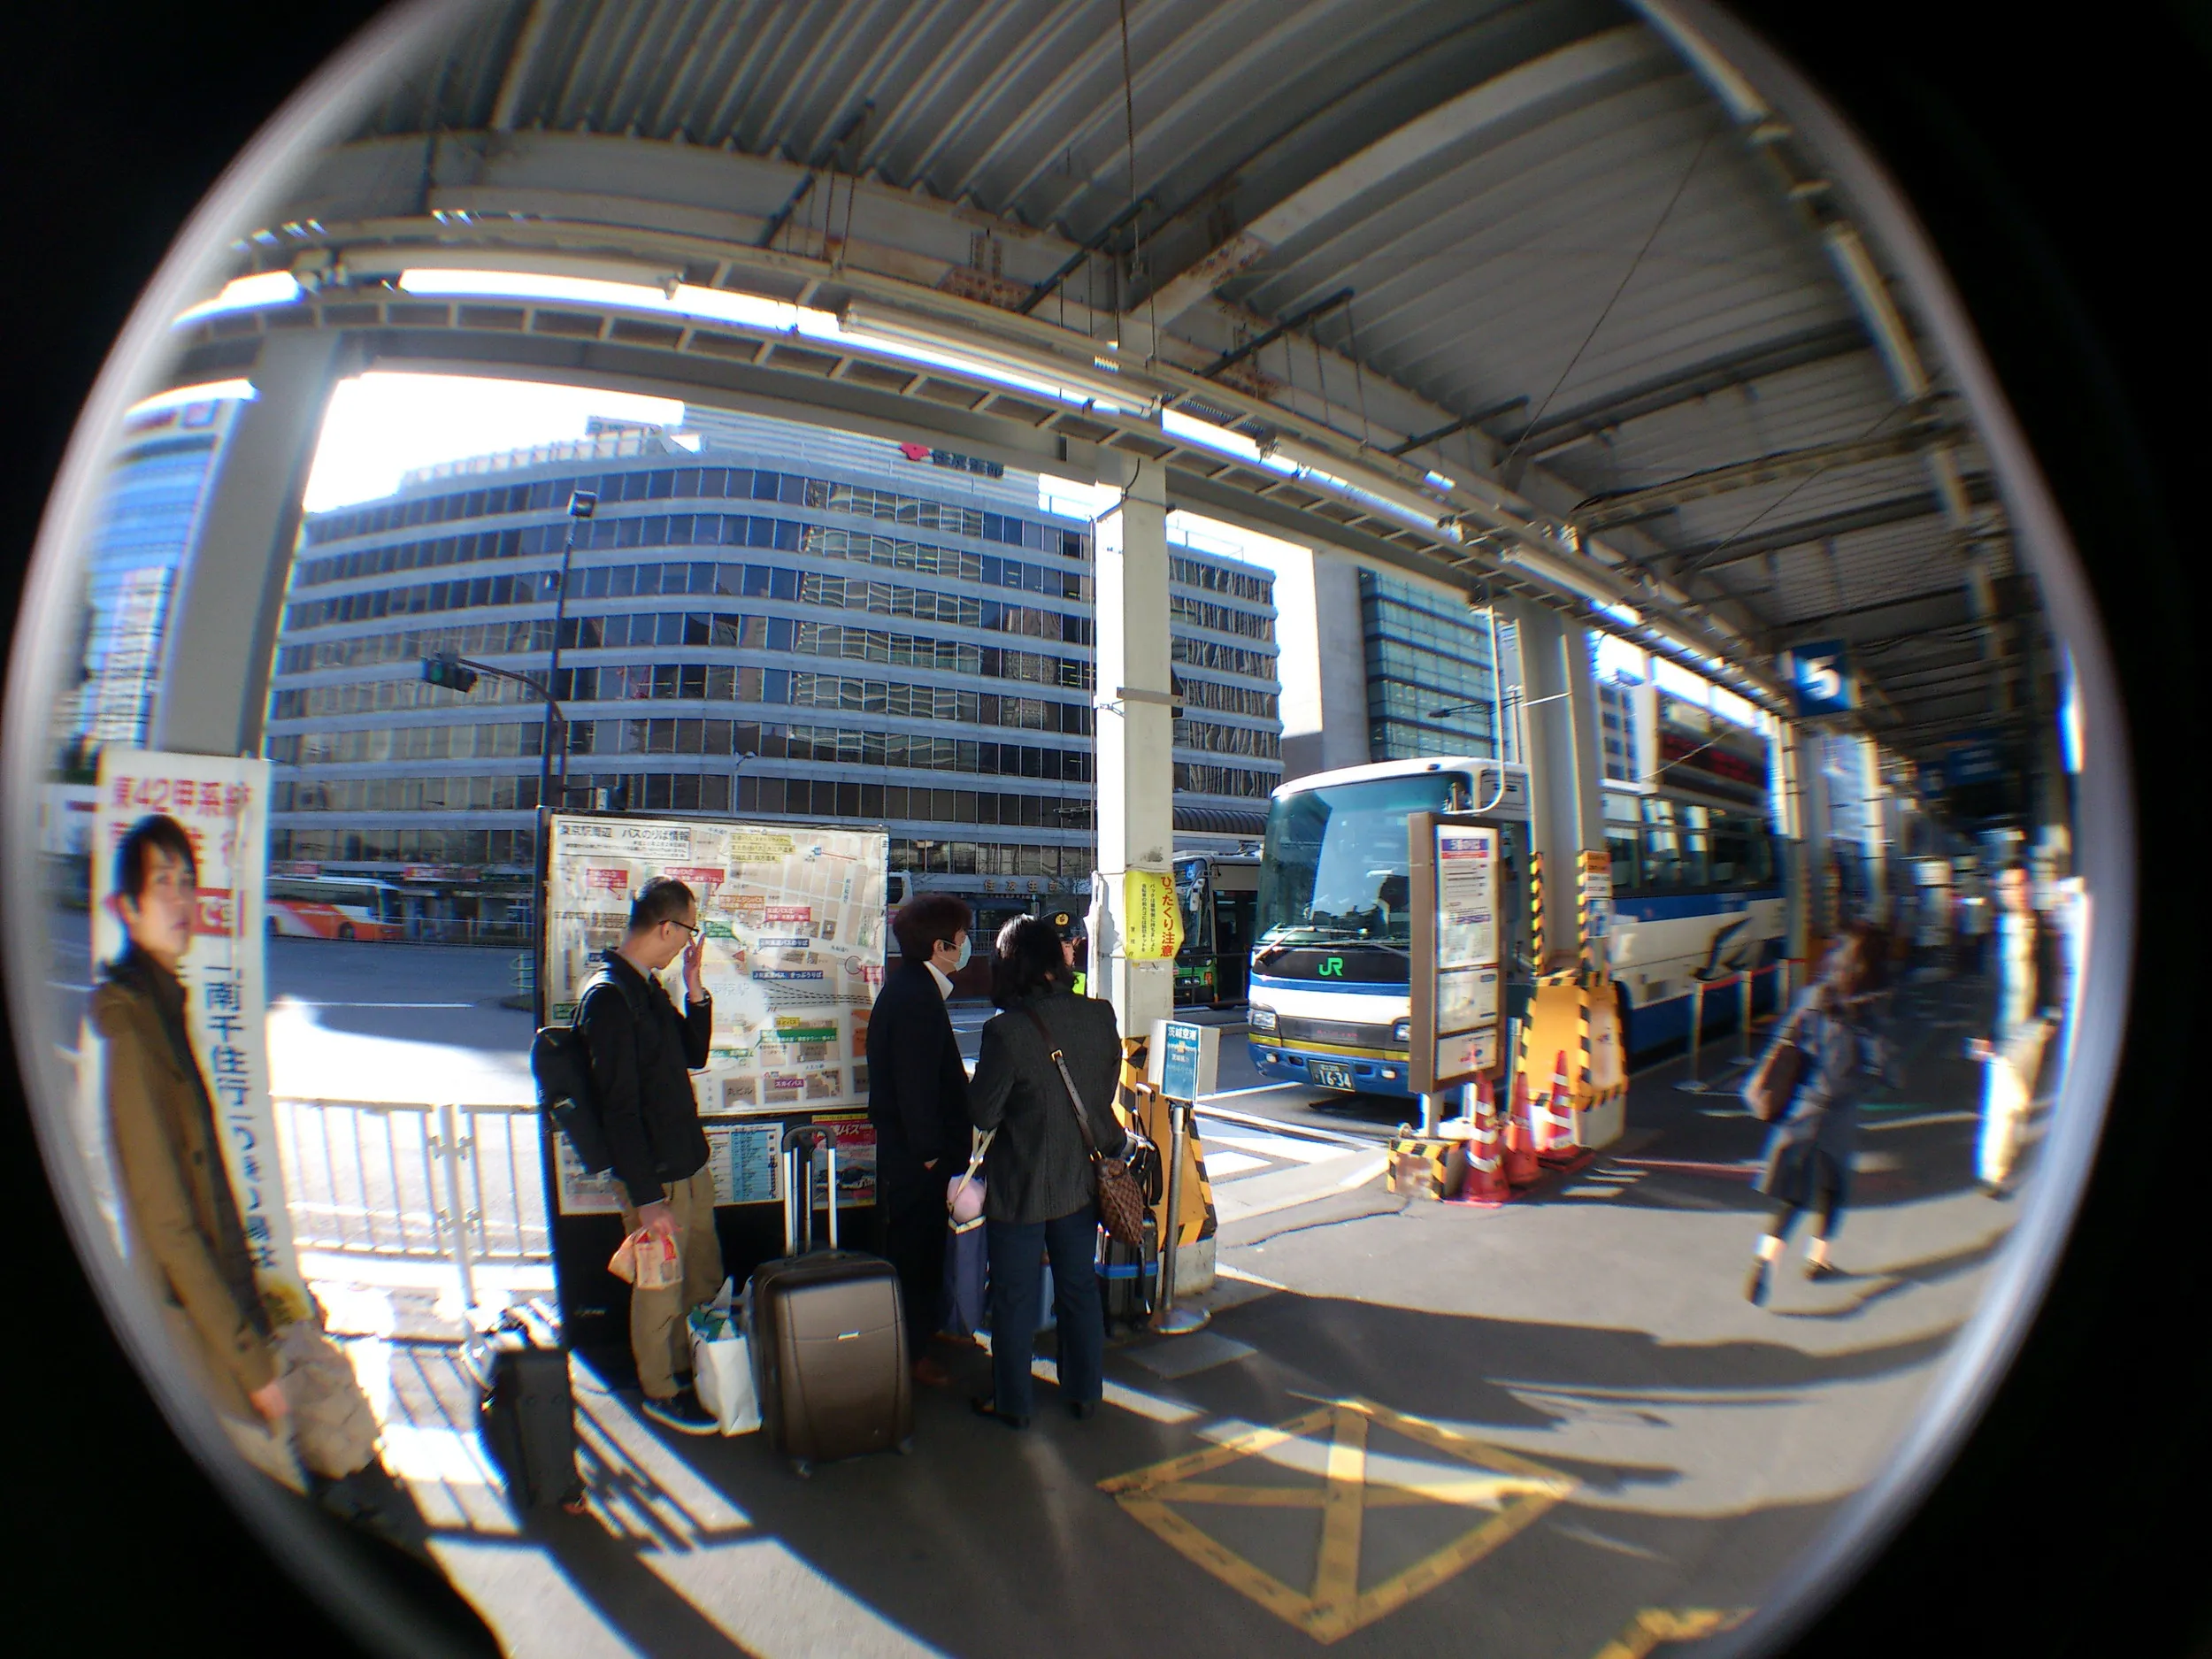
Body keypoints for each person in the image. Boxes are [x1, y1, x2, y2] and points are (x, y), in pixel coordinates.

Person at [95, 814, 302, 1489]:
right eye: (164, 883)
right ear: (127, 907)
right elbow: (169, 1225)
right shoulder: (130, 1026)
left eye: (189, 881)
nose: (183, 899)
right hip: (195, 1337)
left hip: (222, 1319)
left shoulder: (164, 1004)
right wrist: (250, 1362)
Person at [966, 915, 1125, 1428]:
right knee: (1078, 1286)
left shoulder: (1006, 1032)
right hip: (1081, 1180)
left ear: (1011, 965)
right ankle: (1085, 1390)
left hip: (1021, 1186)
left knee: (1014, 1296)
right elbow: (1101, 1090)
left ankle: (1013, 1402)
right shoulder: (1100, 1015)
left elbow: (983, 1114)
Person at [580, 876, 722, 1433]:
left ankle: (695, 1368)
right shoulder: (609, 998)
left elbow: (692, 1053)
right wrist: (644, 1200)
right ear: (667, 927)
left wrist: (695, 987)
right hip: (656, 1181)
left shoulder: (646, 987)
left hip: (686, 1164)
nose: (690, 941)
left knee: (699, 1276)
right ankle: (661, 1390)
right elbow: (617, 1111)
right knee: (658, 1290)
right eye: (689, 930)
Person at [1744, 924, 1896, 1305]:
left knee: (1793, 1196)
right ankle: (1818, 1259)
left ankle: (1765, 1259)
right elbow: (1882, 1069)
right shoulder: (1868, 1010)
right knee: (1833, 1189)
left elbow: (1788, 1040)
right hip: (1838, 1117)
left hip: (1803, 1108)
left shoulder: (1814, 996)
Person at [867, 893, 974, 1387]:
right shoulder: (915, 998)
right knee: (916, 1255)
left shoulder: (911, 987)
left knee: (922, 1251)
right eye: (960, 939)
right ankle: (912, 1356)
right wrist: (932, 1154)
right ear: (940, 946)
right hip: (918, 1162)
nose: (966, 946)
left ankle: (923, 1338)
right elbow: (915, 1086)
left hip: (914, 1158)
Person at [1968, 861, 2061, 1199]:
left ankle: (2005, 1157)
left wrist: (2051, 1016)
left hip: (2031, 1029)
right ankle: (1992, 1172)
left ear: (2029, 887)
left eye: (2021, 884)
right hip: (2001, 1033)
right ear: (2000, 892)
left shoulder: (2042, 928)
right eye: (2008, 886)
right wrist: (1979, 1032)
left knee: (2019, 1104)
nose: (2016, 891)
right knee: (2003, 1101)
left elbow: (2051, 973)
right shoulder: (1993, 934)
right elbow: (1983, 988)